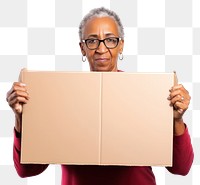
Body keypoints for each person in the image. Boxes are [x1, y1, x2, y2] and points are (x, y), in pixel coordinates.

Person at [6, 7, 193, 185]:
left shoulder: (145, 93)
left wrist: (176, 120)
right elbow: (27, 170)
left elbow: (181, 169)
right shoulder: (61, 96)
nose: (101, 49)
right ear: (82, 48)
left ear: (121, 45)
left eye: (110, 40)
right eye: (92, 40)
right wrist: (22, 117)